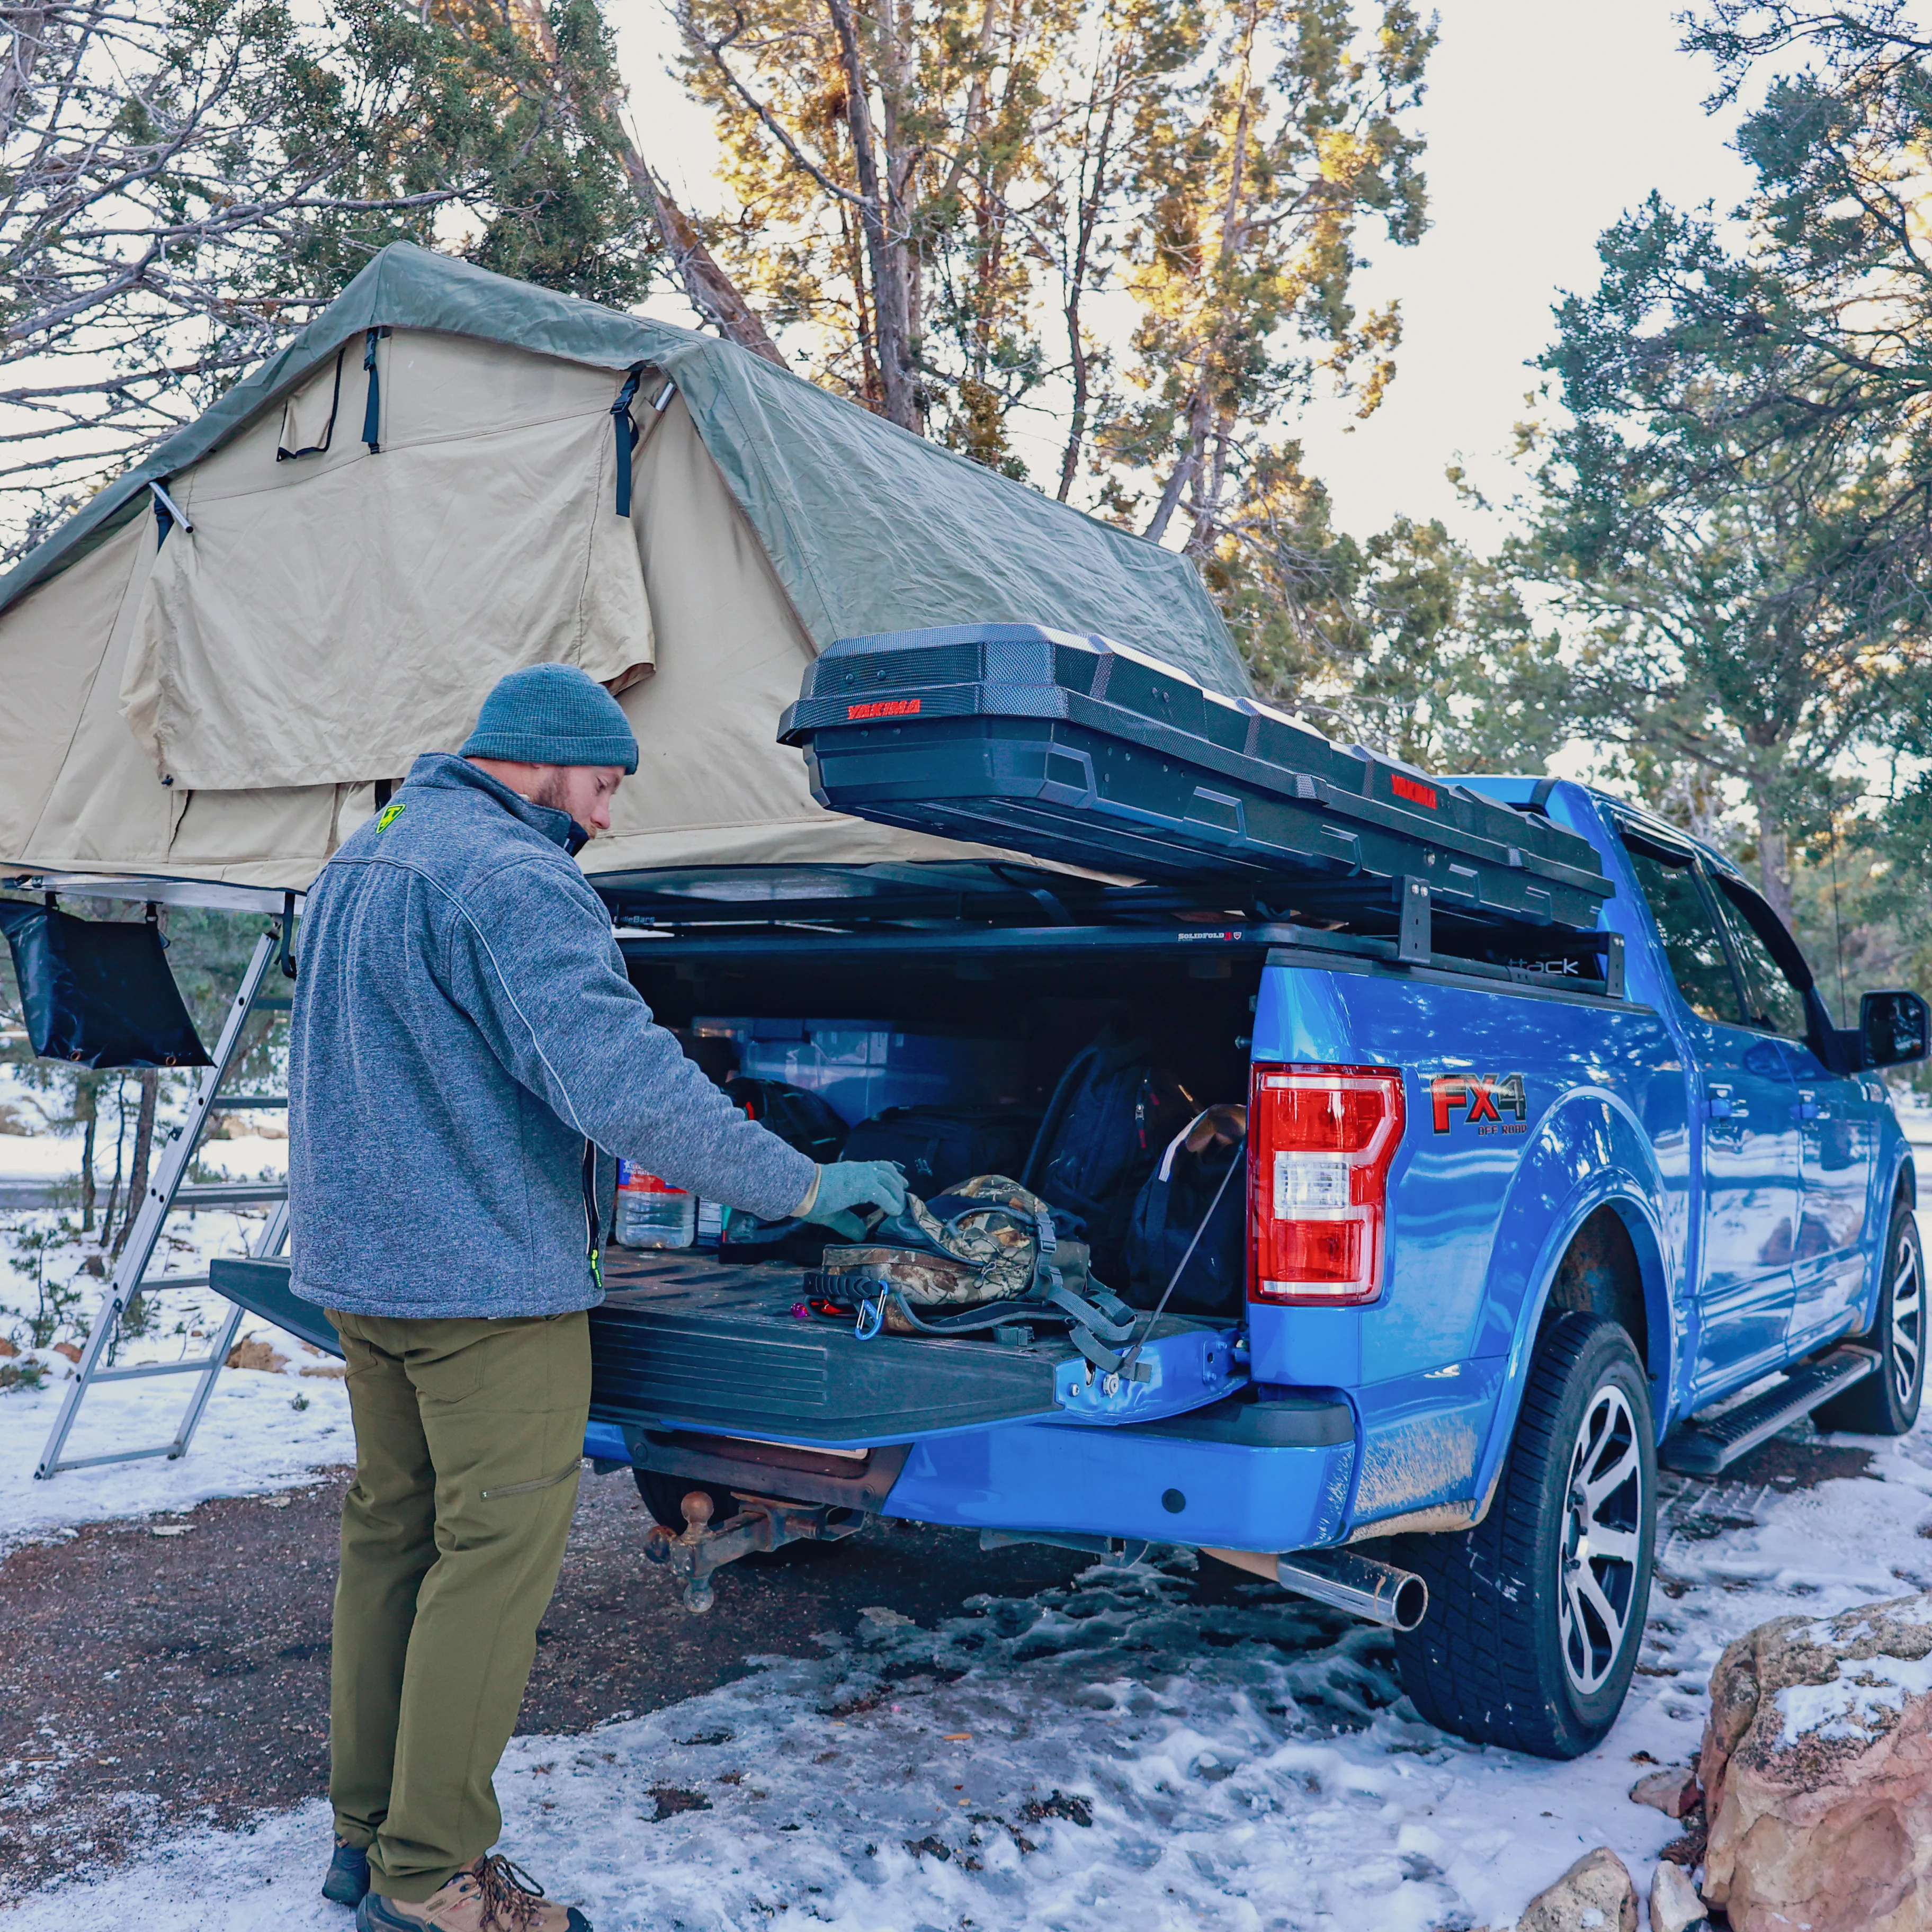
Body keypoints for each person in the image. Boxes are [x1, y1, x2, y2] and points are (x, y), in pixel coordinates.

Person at [287, 664, 906, 1932]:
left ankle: (366, 1837)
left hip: (368, 1274)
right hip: (484, 1293)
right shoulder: (512, 875)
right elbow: (625, 1087)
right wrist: (801, 1185)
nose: (610, 818)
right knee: (490, 1567)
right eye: (607, 786)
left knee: (394, 1541)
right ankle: (432, 1879)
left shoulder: (373, 852)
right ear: (546, 756)